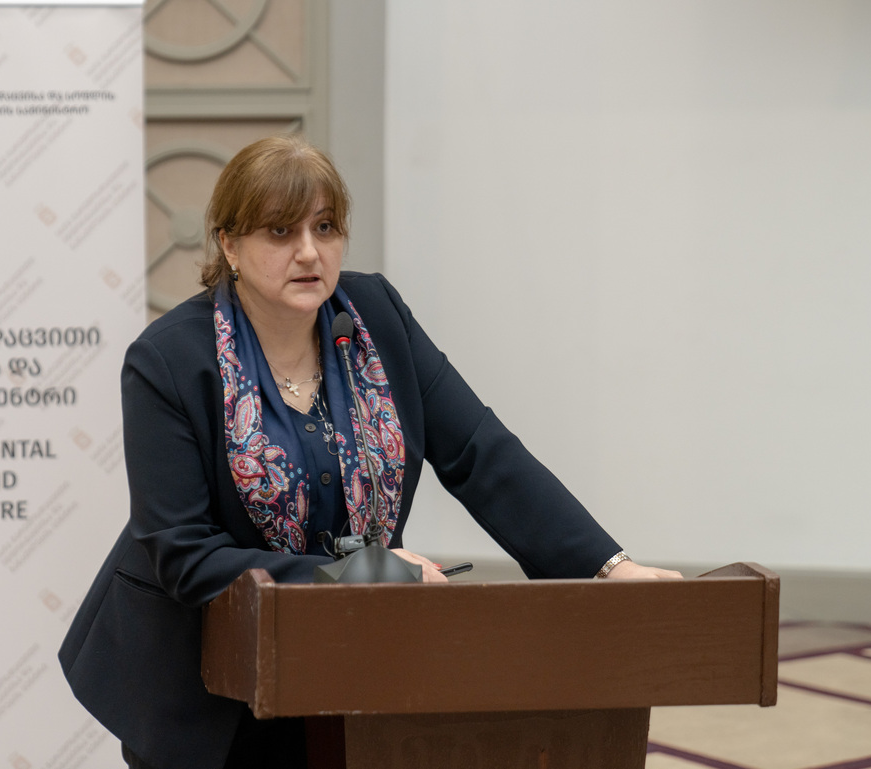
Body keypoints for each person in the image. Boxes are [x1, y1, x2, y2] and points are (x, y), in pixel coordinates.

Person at [58, 135, 681, 769]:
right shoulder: (168, 360)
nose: (309, 252)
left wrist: (608, 568)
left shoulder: (375, 315)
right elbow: (185, 555)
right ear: (229, 245)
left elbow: (481, 453)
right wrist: (357, 575)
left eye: (325, 227)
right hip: (207, 688)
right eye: (280, 231)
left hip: (354, 666)